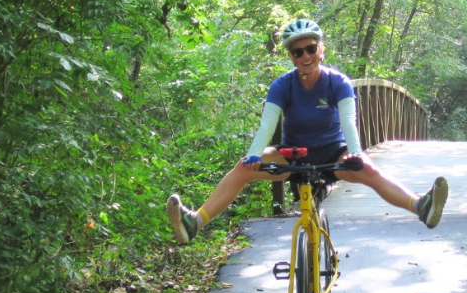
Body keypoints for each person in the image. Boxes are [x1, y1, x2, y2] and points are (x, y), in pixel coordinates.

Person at [167, 18, 448, 244]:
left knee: (371, 172)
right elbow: (268, 124)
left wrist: (356, 153)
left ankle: (420, 206)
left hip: (333, 153)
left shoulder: (338, 82)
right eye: (297, 51)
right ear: (291, 56)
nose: (305, 56)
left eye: (311, 49)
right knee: (242, 168)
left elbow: (349, 121)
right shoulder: (282, 85)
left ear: (321, 50)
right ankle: (195, 222)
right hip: (293, 155)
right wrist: (254, 155)